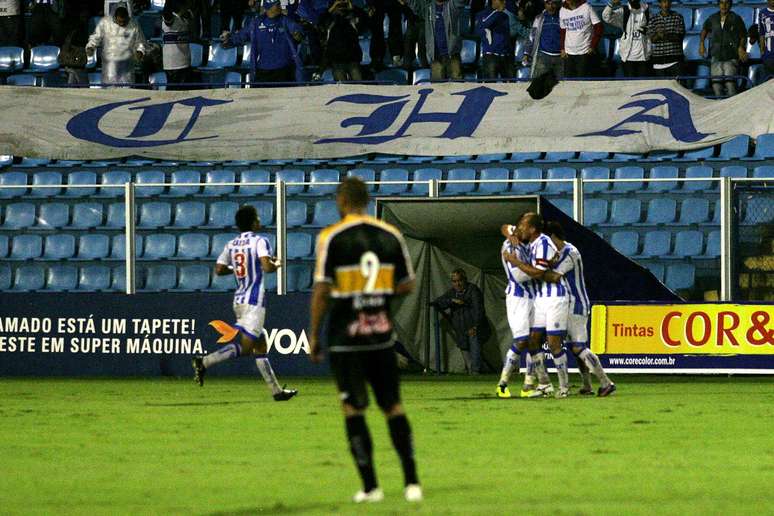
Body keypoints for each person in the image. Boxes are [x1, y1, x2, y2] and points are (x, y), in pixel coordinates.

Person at [309, 177, 422, 504]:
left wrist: (314, 334)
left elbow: (321, 291)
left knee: (352, 409)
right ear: (368, 199)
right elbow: (408, 284)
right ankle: (412, 482)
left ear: (341, 200)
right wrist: (378, 295)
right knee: (393, 406)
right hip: (381, 337)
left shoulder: (331, 237)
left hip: (346, 339)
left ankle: (371, 487)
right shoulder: (391, 235)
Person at [192, 205, 297, 402]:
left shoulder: (231, 244)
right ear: (252, 222)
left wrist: (241, 268)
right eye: (257, 218)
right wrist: (277, 264)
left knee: (261, 343)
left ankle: (276, 392)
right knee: (248, 348)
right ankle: (204, 362)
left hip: (239, 299)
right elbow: (267, 267)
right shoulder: (260, 241)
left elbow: (219, 269)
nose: (259, 221)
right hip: (254, 300)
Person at [545, 221, 616, 397]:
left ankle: (606, 382)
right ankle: (587, 385)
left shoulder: (570, 253)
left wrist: (534, 271)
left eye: (547, 239)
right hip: (568, 304)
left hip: (576, 304)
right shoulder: (562, 252)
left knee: (578, 347)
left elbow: (554, 276)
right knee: (574, 348)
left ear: (553, 236)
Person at [504, 212, 570, 397]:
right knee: (532, 340)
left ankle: (564, 387)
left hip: (556, 296)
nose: (519, 229)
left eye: (523, 226)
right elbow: (505, 227)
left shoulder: (543, 243)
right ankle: (545, 385)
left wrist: (514, 261)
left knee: (553, 343)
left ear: (532, 229)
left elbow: (538, 273)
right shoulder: (530, 241)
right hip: (541, 296)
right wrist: (510, 236)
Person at [496, 224, 543, 398]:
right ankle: (502, 383)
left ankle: (528, 385)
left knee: (533, 340)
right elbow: (518, 275)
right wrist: (542, 270)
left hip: (533, 297)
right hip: (518, 298)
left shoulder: (523, 240)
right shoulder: (509, 247)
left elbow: (506, 226)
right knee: (522, 340)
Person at [221, 0, 304, 83]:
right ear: (269, 8)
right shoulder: (256, 23)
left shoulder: (286, 21)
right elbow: (241, 36)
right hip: (263, 71)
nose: (280, 6)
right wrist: (229, 41)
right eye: (277, 4)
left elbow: (298, 33)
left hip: (284, 70)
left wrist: (298, 36)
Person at [431, 268, 490, 375]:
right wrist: (451, 300)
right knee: (464, 348)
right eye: (454, 281)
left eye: (459, 281)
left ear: (465, 280)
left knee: (475, 349)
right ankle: (472, 372)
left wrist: (475, 326)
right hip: (460, 327)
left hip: (473, 326)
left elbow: (479, 310)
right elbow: (437, 302)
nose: (457, 284)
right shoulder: (452, 292)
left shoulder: (473, 290)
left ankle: (476, 372)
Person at [400, 0, 467, 81]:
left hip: (453, 56)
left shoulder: (452, 5)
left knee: (457, 86)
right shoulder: (428, 8)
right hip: (435, 57)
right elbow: (415, 5)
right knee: (437, 89)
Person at [699, 0, 748, 97]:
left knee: (730, 85)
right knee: (716, 85)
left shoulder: (736, 18)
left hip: (731, 56)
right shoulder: (712, 18)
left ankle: (732, 109)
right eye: (721, 2)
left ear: (730, 5)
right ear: (718, 4)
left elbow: (743, 36)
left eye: (726, 3)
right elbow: (704, 30)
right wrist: (701, 43)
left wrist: (741, 47)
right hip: (716, 55)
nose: (724, 5)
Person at [86, 6, 146, 85]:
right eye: (120, 21)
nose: (122, 23)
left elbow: (140, 41)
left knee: (127, 91)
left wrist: (140, 51)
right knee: (110, 91)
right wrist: (91, 46)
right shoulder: (105, 23)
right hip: (110, 65)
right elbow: (95, 37)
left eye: (124, 22)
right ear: (115, 18)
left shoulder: (134, 25)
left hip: (127, 66)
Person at [318, 0, 369, 81]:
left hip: (353, 60)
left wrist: (353, 8)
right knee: (341, 88)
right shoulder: (330, 19)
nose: (341, 8)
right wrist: (333, 7)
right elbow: (320, 22)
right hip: (336, 60)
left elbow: (366, 21)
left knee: (359, 87)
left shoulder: (353, 17)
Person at [602, 0, 652, 77]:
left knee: (643, 85)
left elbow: (652, 28)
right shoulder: (624, 11)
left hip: (644, 57)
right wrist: (611, 3)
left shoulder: (647, 11)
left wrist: (648, 30)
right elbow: (606, 17)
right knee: (630, 84)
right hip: (627, 57)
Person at [559, 0, 603, 78]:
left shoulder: (587, 7)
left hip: (584, 52)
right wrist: (562, 48)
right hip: (568, 53)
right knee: (568, 81)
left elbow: (599, 27)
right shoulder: (562, 10)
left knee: (582, 81)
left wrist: (593, 46)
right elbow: (563, 31)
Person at [476, 0, 516, 79]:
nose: (504, 2)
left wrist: (508, 51)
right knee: (490, 86)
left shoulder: (505, 16)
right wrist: (497, 12)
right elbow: (483, 25)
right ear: (494, 0)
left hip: (506, 56)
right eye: (501, 0)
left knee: (510, 86)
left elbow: (507, 35)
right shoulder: (483, 14)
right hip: (491, 56)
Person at [524, 0, 563, 78]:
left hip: (560, 57)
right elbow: (532, 36)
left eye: (553, 3)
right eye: (548, 3)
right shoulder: (539, 18)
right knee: (539, 84)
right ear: (545, 4)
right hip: (543, 56)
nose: (551, 6)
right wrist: (526, 53)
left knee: (561, 86)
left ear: (557, 4)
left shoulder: (563, 17)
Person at [648, 0, 685, 78]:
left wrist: (664, 35)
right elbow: (652, 39)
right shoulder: (653, 19)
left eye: (668, 2)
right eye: (664, 2)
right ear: (660, 3)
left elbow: (679, 36)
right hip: (658, 62)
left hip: (675, 61)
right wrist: (658, 35)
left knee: (678, 87)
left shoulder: (678, 17)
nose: (666, 4)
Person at [161, 0, 193, 88]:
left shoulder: (185, 18)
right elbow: (166, 12)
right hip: (173, 64)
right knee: (173, 93)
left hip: (185, 61)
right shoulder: (170, 18)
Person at [758, 0, 774, 80]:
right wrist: (762, 50)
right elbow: (761, 33)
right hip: (768, 54)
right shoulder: (762, 13)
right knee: (768, 80)